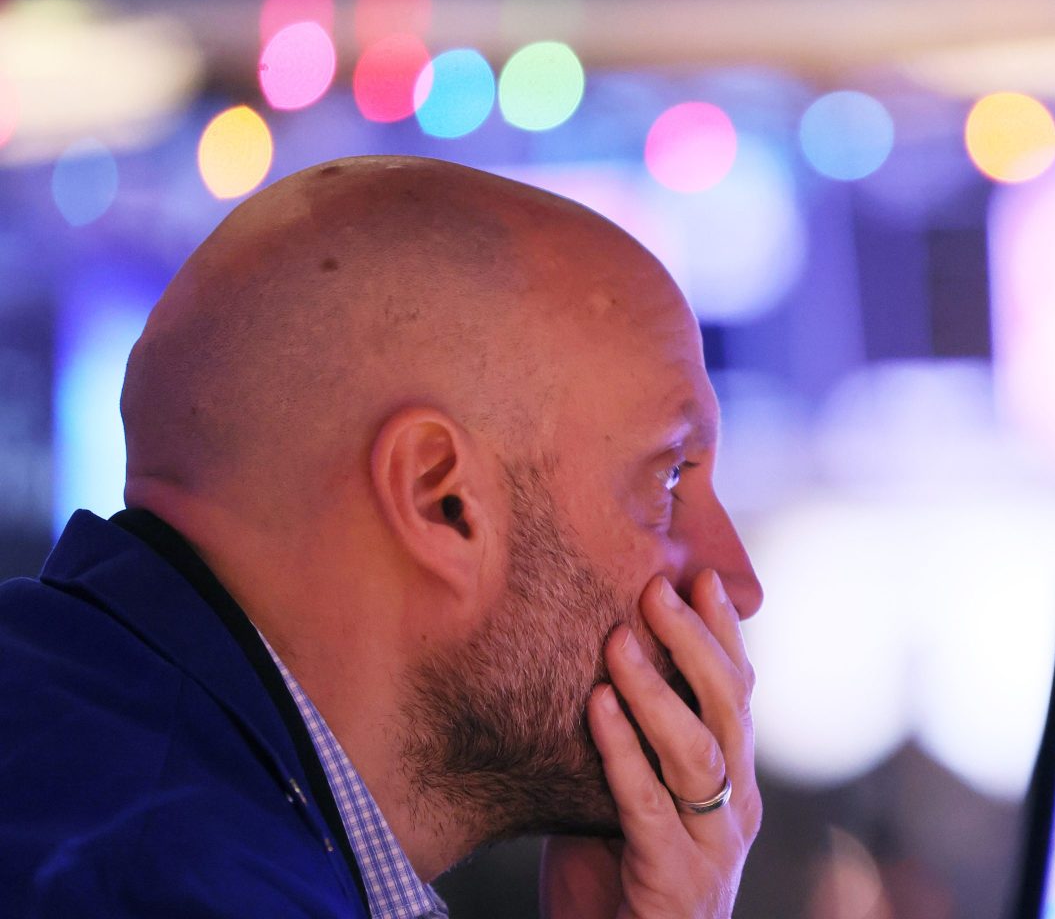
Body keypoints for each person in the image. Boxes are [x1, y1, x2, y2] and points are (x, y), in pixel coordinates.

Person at [0, 155, 764, 918]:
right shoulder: (168, 887)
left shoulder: (86, 753)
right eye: (668, 480)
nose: (739, 587)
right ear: (443, 502)